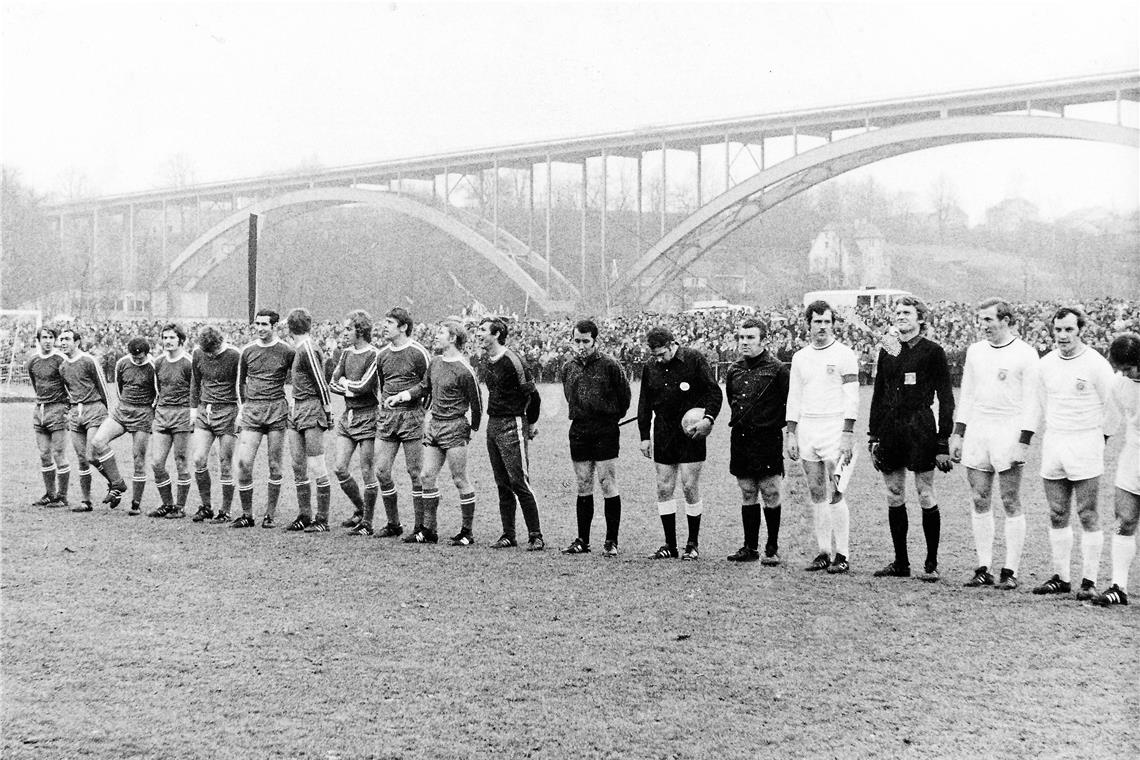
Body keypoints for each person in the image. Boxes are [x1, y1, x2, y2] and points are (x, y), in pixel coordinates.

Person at [948, 299, 1040, 590]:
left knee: (1010, 501)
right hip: (978, 429)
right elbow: (968, 394)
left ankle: (1010, 569)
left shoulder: (1026, 354)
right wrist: (958, 433)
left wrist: (1023, 442)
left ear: (1006, 320)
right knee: (979, 499)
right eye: (981, 320)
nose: (983, 325)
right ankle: (983, 567)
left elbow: (1032, 403)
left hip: (1009, 429)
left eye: (988, 319)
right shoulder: (975, 351)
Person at [868, 296, 955, 582]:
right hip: (891, 428)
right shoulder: (889, 348)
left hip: (920, 426)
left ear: (920, 318)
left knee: (925, 493)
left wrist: (943, 443)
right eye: (897, 312)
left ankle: (931, 563)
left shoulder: (933, 351)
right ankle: (900, 562)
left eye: (907, 312)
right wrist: (873, 436)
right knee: (894, 493)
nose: (901, 316)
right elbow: (879, 393)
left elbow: (946, 399)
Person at [1032, 307, 1115, 599]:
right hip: (1055, 442)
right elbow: (1041, 403)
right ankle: (1062, 577)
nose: (1063, 335)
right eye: (1058, 330)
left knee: (1088, 513)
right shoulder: (1045, 365)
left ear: (1080, 330)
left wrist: (1097, 439)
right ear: (1052, 331)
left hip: (1086, 442)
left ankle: (1090, 580)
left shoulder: (1096, 364)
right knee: (1057, 513)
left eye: (1069, 329)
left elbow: (1112, 408)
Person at [387, 319, 483, 545]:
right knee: (426, 476)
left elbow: (477, 404)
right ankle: (429, 530)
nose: (436, 335)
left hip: (454, 427)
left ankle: (466, 532)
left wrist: (471, 429)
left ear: (453, 338)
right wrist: (402, 395)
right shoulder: (436, 362)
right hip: (435, 426)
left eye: (441, 332)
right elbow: (423, 387)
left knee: (459, 479)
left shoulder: (465, 370)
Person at [637, 326, 722, 561]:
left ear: (673, 344)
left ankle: (692, 544)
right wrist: (645, 435)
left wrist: (708, 419)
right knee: (664, 487)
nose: (658, 358)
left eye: (662, 353)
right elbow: (644, 403)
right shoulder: (650, 367)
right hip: (663, 432)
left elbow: (714, 392)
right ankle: (670, 544)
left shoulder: (694, 359)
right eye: (654, 355)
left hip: (691, 432)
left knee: (689, 486)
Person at [785, 302, 858, 574]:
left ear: (833, 323)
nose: (822, 327)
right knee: (816, 491)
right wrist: (791, 432)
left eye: (827, 321)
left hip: (835, 427)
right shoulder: (800, 357)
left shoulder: (845, 354)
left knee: (837, 490)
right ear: (808, 325)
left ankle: (843, 554)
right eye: (817, 322)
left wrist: (848, 432)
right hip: (808, 427)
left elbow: (853, 396)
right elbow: (795, 396)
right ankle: (823, 551)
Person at [560, 318, 631, 557]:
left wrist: (609, 418)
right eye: (577, 340)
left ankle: (611, 540)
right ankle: (583, 540)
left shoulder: (610, 364)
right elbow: (569, 395)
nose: (581, 345)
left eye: (586, 341)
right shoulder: (568, 366)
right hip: (579, 428)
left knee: (606, 482)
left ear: (595, 341)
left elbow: (625, 398)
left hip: (605, 428)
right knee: (583, 483)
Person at [726, 318, 790, 564]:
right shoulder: (734, 369)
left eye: (750, 338)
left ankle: (772, 546)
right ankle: (749, 547)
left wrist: (770, 423)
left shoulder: (777, 369)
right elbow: (732, 400)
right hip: (741, 437)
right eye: (741, 337)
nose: (745, 342)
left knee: (771, 491)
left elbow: (788, 404)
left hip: (767, 438)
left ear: (763, 340)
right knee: (747, 491)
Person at [478, 317, 544, 551]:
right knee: (502, 483)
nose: (479, 334)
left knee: (519, 481)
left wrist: (531, 423)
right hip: (493, 424)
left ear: (496, 334)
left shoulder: (513, 360)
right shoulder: (487, 360)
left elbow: (533, 395)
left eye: (483, 330)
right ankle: (508, 534)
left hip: (512, 423)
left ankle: (536, 535)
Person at [232, 309, 295, 528]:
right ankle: (247, 514)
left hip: (276, 409)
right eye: (257, 324)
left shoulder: (287, 350)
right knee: (243, 462)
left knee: (275, 465)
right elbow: (239, 382)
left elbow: (297, 379)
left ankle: (270, 514)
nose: (260, 328)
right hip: (252, 410)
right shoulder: (247, 350)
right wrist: (242, 408)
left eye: (265, 324)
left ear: (275, 326)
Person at [374, 308, 432, 541]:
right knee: (381, 471)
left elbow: (428, 386)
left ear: (403, 327)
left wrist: (422, 414)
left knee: (415, 472)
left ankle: (420, 526)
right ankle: (393, 523)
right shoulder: (382, 355)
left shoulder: (418, 353)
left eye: (390, 322)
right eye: (384, 321)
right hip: (389, 418)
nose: (384, 326)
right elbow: (382, 384)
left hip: (411, 417)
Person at [324, 309, 381, 534]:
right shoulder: (346, 353)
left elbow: (365, 387)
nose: (344, 332)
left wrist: (347, 385)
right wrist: (349, 385)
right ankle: (361, 509)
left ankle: (367, 522)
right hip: (347, 417)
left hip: (368, 417)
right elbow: (332, 383)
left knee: (367, 470)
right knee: (339, 468)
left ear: (361, 330)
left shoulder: (374, 355)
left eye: (349, 328)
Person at [1095, 332, 1140, 606]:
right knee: (1124, 520)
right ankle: (1118, 587)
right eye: (1122, 368)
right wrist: (1099, 445)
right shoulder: (1118, 383)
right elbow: (1110, 420)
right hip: (1133, 454)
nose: (1127, 372)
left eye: (1131, 367)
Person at [90, 336, 158, 516]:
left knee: (138, 459)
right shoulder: (122, 363)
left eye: (140, 358)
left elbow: (158, 393)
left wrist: (149, 411)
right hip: (122, 410)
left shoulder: (154, 367)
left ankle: (136, 504)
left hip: (143, 414)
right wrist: (122, 405)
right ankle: (117, 483)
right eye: (134, 357)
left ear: (147, 354)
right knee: (97, 442)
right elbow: (119, 387)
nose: (137, 360)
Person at [283, 308, 333, 532]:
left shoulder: (308, 349)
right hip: (297, 407)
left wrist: (328, 411)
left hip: (312, 407)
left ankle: (322, 519)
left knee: (316, 464)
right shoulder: (300, 348)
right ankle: (304, 514)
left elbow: (321, 383)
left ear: (290, 328)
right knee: (297, 464)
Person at [59, 327, 120, 510]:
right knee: (81, 458)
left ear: (77, 342)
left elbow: (102, 385)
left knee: (92, 454)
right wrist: (70, 411)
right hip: (76, 413)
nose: (63, 342)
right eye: (61, 339)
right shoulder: (62, 367)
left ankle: (115, 483)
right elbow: (68, 390)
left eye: (67, 339)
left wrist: (109, 413)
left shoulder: (89, 360)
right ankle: (87, 501)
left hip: (95, 409)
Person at [188, 325, 242, 523]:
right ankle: (206, 506)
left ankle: (225, 510)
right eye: (207, 352)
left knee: (225, 463)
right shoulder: (198, 353)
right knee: (198, 458)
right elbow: (195, 381)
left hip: (227, 410)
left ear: (220, 343)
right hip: (205, 410)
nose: (210, 356)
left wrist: (241, 412)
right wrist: (193, 410)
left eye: (213, 351)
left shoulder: (235, 355)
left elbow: (241, 384)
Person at [148, 323, 195, 519]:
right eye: (165, 338)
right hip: (162, 414)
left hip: (182, 414)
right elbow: (157, 388)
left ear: (181, 340)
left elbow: (194, 390)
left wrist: (192, 414)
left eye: (172, 338)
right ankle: (167, 504)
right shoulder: (158, 362)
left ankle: (180, 506)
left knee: (181, 461)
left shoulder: (188, 362)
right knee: (157, 463)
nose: (167, 341)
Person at [26, 326, 71, 508]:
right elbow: (36, 385)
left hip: (58, 409)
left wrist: (67, 407)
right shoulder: (33, 361)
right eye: (44, 337)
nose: (47, 340)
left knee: (59, 453)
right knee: (44, 454)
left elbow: (70, 384)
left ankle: (62, 496)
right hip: (40, 410)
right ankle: (49, 494)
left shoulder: (61, 360)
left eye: (51, 337)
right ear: (38, 340)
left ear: (55, 339)